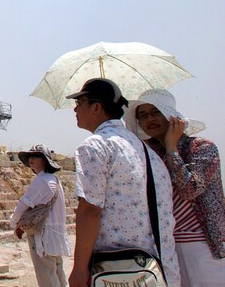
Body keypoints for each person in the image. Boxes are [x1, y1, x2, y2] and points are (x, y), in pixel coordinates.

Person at [66, 78, 180, 287]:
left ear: (96, 107)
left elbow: (90, 210)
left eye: (79, 103)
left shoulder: (95, 146)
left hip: (119, 272)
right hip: (159, 271)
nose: (75, 110)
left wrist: (79, 269)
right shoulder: (148, 152)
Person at [123, 89, 225, 285]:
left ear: (170, 114)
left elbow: (190, 189)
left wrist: (172, 148)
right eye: (143, 115)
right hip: (166, 246)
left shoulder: (202, 148)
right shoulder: (148, 154)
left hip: (202, 245)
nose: (149, 119)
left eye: (155, 112)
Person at [9, 144, 71, 287]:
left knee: (47, 278)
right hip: (55, 235)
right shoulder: (54, 180)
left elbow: (23, 205)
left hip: (43, 236)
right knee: (58, 273)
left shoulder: (41, 181)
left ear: (44, 160)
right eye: (30, 156)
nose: (31, 159)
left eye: (36, 156)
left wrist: (14, 223)